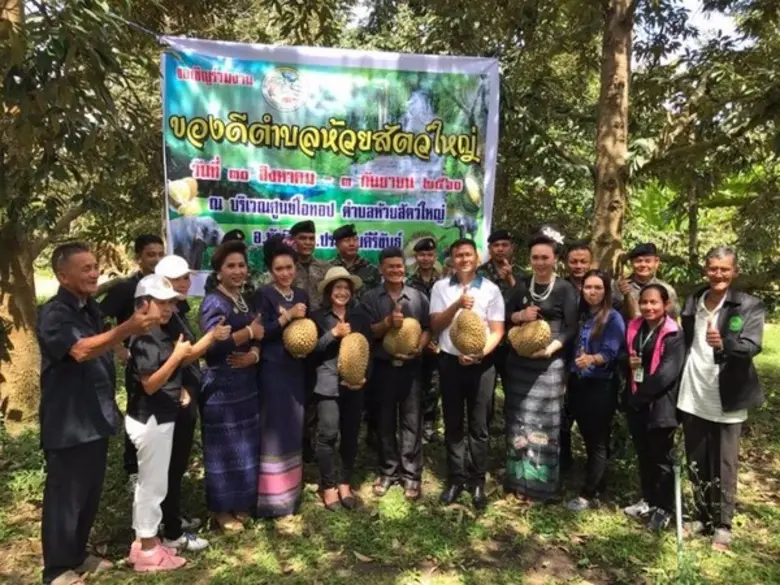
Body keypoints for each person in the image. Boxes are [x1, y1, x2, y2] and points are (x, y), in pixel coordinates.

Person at [37, 242, 158, 585]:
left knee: (88, 493)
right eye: (85, 269)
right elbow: (78, 351)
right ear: (63, 276)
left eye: (95, 267)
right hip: (69, 421)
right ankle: (56, 569)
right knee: (65, 497)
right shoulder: (55, 314)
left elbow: (103, 342)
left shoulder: (89, 308)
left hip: (96, 415)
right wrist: (127, 328)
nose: (94, 274)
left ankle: (77, 555)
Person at [125, 274, 230, 571]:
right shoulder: (145, 336)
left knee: (154, 483)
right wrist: (178, 356)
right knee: (151, 486)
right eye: (161, 303)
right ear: (143, 304)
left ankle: (145, 542)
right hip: (151, 419)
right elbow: (150, 384)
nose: (168, 308)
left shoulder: (158, 331)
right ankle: (147, 551)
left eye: (170, 303)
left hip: (161, 415)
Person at [677, 246, 765, 551]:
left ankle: (723, 524)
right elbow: (686, 340)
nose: (718, 274)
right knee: (696, 459)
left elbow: (752, 345)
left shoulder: (749, 305)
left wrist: (724, 343)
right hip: (694, 390)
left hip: (727, 393)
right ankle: (700, 516)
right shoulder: (694, 300)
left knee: (725, 463)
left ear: (734, 272)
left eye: (724, 269)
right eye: (713, 268)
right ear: (706, 270)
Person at [503, 229, 578, 503]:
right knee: (518, 418)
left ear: (555, 259)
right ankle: (517, 480)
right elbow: (504, 315)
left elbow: (571, 328)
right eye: (535, 257)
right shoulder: (522, 284)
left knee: (544, 421)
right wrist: (520, 315)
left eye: (545, 257)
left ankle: (541, 486)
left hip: (549, 364)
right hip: (519, 363)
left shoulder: (565, 289)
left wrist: (549, 349)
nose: (540, 262)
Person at [430, 238, 505, 509]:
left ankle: (477, 480)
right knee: (453, 422)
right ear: (451, 260)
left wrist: (479, 354)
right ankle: (456, 478)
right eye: (458, 255)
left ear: (477, 258)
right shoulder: (440, 287)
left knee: (479, 425)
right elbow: (436, 325)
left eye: (468, 254)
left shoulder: (491, 289)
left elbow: (497, 330)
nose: (463, 259)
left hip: (481, 365)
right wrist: (457, 305)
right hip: (449, 362)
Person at [199, 240, 264, 532]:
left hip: (246, 384)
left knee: (244, 445)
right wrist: (248, 332)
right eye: (231, 266)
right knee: (223, 448)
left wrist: (255, 352)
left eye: (241, 265)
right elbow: (212, 347)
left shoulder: (242, 298)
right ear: (219, 271)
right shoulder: (214, 302)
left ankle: (240, 502)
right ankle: (221, 510)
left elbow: (259, 333)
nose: (238, 271)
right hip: (221, 387)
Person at [362, 247, 431, 501]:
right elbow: (368, 332)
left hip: (412, 368)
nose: (395, 270)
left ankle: (411, 474)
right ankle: (388, 470)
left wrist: (419, 347)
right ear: (382, 269)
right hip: (383, 366)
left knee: (412, 420)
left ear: (405, 268)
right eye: (390, 266)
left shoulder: (417, 297)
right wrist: (388, 323)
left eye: (399, 266)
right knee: (384, 420)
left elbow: (427, 328)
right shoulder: (371, 298)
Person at [153, 256, 211, 550]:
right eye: (177, 279)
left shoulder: (177, 311)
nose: (185, 283)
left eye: (186, 277)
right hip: (173, 399)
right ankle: (170, 531)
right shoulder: (159, 319)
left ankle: (171, 518)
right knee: (170, 466)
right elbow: (174, 358)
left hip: (186, 395)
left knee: (176, 466)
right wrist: (212, 338)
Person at [98, 234, 165, 492]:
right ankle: (133, 469)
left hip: (165, 363)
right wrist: (118, 348)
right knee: (138, 413)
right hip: (138, 362)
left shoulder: (166, 286)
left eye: (160, 254)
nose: (156, 259)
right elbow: (100, 317)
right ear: (139, 258)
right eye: (150, 254)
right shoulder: (127, 288)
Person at [252, 236, 310, 517]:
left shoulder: (301, 295)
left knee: (293, 425)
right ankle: (270, 500)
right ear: (270, 271)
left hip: (296, 368)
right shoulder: (263, 294)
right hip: (272, 367)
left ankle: (290, 496)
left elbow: (308, 330)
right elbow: (261, 333)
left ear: (296, 268)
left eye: (289, 267)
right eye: (279, 269)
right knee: (273, 427)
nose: (285, 273)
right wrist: (286, 318)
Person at [622, 284, 685, 532]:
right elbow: (622, 357)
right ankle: (647, 499)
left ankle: (664, 507)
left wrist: (640, 398)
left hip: (661, 405)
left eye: (654, 302)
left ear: (665, 304)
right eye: (644, 302)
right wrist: (627, 362)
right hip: (637, 401)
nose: (648, 307)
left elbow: (667, 374)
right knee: (644, 455)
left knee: (661, 459)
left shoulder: (673, 334)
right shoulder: (635, 327)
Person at [311, 267, 371, 511]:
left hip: (354, 386)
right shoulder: (317, 318)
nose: (342, 292)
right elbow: (310, 351)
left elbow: (368, 350)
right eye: (337, 287)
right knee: (327, 435)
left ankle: (345, 482)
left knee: (350, 434)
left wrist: (364, 378)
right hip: (327, 384)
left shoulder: (360, 317)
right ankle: (328, 486)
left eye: (346, 288)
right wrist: (332, 334)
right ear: (329, 291)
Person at [566, 270, 625, 512]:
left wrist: (592, 359)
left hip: (600, 384)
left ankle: (589, 493)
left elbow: (611, 352)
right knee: (585, 434)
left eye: (598, 288)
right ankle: (597, 484)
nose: (592, 292)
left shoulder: (613, 317)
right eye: (588, 287)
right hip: (578, 382)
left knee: (597, 440)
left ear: (606, 291)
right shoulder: (581, 315)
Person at [288, 220, 330, 461]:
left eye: (311, 238)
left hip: (320, 336)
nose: (307, 243)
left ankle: (310, 441)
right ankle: (294, 440)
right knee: (294, 392)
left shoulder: (324, 268)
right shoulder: (286, 267)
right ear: (293, 240)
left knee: (314, 390)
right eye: (302, 238)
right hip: (291, 339)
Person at [477, 229, 522, 428]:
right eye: (496, 245)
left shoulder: (520, 274)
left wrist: (510, 279)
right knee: (484, 394)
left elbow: (525, 302)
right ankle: (484, 430)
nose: (500, 249)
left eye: (505, 245)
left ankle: (514, 431)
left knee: (514, 389)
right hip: (488, 341)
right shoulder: (480, 274)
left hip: (513, 343)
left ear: (512, 247)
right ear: (490, 249)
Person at [406, 237, 443, 443]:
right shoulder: (408, 282)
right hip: (415, 340)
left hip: (439, 342)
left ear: (435, 256)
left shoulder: (445, 281)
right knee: (415, 384)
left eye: (429, 254)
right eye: (422, 255)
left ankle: (429, 426)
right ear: (416, 257)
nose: (426, 258)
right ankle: (414, 426)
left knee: (434, 385)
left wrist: (436, 341)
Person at [614, 243, 679, 321]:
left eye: (648, 261)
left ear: (656, 262)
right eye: (638, 261)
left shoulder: (667, 290)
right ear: (631, 262)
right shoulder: (618, 287)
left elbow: (672, 320)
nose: (643, 265)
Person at [329, 224, 380, 298]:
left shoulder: (371, 269)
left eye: (355, 239)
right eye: (347, 240)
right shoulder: (329, 268)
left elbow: (378, 296)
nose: (352, 244)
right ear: (337, 245)